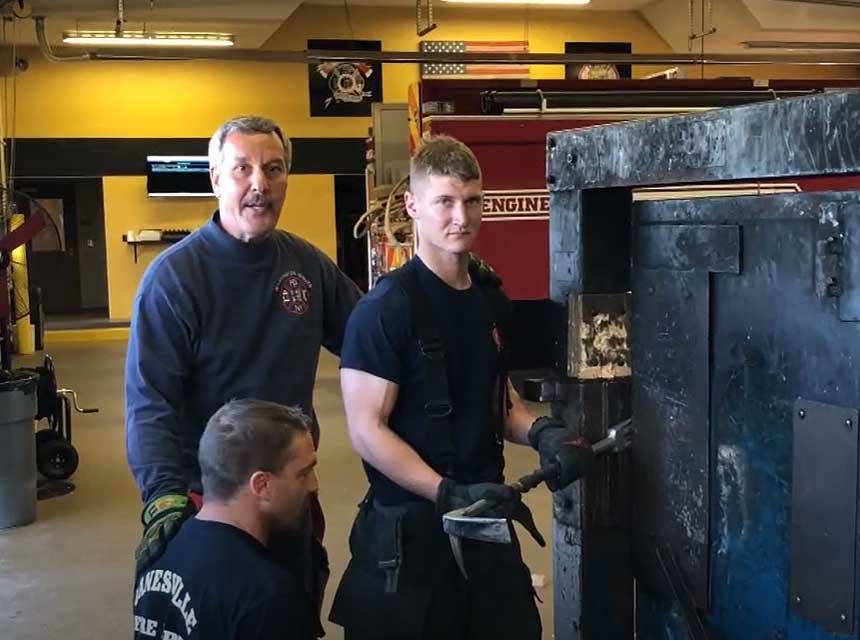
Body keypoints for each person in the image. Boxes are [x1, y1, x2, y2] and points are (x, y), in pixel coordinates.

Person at [329, 135, 594, 640]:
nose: (461, 217)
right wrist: (444, 491)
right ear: (412, 205)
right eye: (445, 201)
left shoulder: (489, 301)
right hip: (410, 537)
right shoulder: (383, 311)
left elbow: (499, 402)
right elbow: (367, 431)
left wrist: (543, 432)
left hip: (484, 521)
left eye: (472, 201)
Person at [125, 115, 361, 634]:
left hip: (289, 495)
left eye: (273, 169)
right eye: (243, 169)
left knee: (290, 615)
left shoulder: (306, 265)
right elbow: (150, 401)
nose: (260, 184)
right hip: (209, 502)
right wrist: (163, 496)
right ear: (215, 178)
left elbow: (370, 336)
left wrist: (439, 273)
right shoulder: (174, 280)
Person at [133, 399, 318, 640]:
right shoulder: (268, 596)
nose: (314, 484)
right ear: (262, 485)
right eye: (304, 473)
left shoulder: (156, 556)